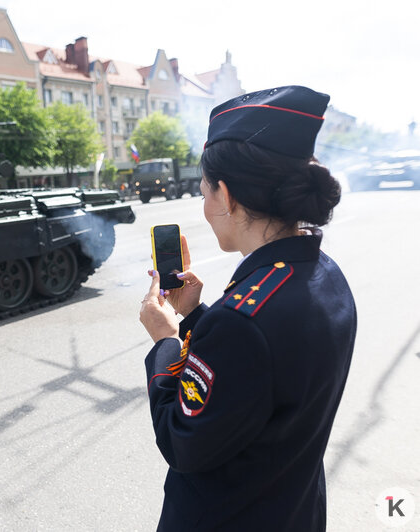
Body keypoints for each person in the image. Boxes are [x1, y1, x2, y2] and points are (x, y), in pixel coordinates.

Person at [139, 86, 356, 531]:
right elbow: (262, 384)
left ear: (226, 194)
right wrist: (197, 317)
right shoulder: (325, 275)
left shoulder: (244, 318)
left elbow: (183, 443)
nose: (203, 207)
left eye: (204, 194)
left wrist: (166, 340)